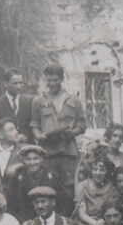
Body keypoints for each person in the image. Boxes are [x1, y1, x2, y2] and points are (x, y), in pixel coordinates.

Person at [30, 64, 86, 214]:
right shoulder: (38, 101)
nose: (52, 83)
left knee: (69, 190)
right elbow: (34, 124)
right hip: (48, 153)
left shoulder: (73, 100)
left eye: (55, 80)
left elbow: (82, 124)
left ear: (61, 79)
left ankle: (68, 222)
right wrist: (38, 135)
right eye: (48, 80)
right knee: (48, 188)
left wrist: (72, 133)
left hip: (68, 152)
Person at [3, 143, 61, 221]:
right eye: (28, 159)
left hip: (47, 218)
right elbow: (11, 202)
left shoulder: (51, 175)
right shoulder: (17, 177)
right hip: (24, 218)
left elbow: (60, 200)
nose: (32, 163)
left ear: (41, 159)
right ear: (23, 160)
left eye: (35, 159)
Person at [73, 156, 120, 225]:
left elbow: (112, 210)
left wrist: (104, 224)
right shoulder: (83, 186)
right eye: (95, 169)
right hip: (86, 223)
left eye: (102, 170)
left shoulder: (111, 188)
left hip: (106, 222)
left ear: (107, 171)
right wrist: (96, 224)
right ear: (91, 171)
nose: (98, 173)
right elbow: (81, 214)